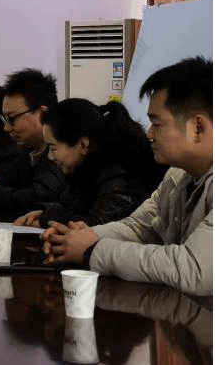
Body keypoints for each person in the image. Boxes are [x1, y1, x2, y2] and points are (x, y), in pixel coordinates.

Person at [43, 57, 213, 297]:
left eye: (156, 124)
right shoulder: (178, 175)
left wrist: (92, 250)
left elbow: (193, 269)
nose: (149, 134)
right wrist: (81, 236)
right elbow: (138, 228)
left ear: (198, 128)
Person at [14, 99, 166, 227]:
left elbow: (99, 226)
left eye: (53, 148)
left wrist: (48, 219)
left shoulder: (120, 174)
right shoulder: (84, 169)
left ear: (83, 144)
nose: (50, 157)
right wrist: (44, 214)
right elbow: (66, 207)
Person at [0, 68, 67, 215]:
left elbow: (38, 198)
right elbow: (1, 177)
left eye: (12, 119)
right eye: (5, 119)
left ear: (42, 114)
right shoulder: (27, 152)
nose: (6, 128)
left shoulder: (63, 152)